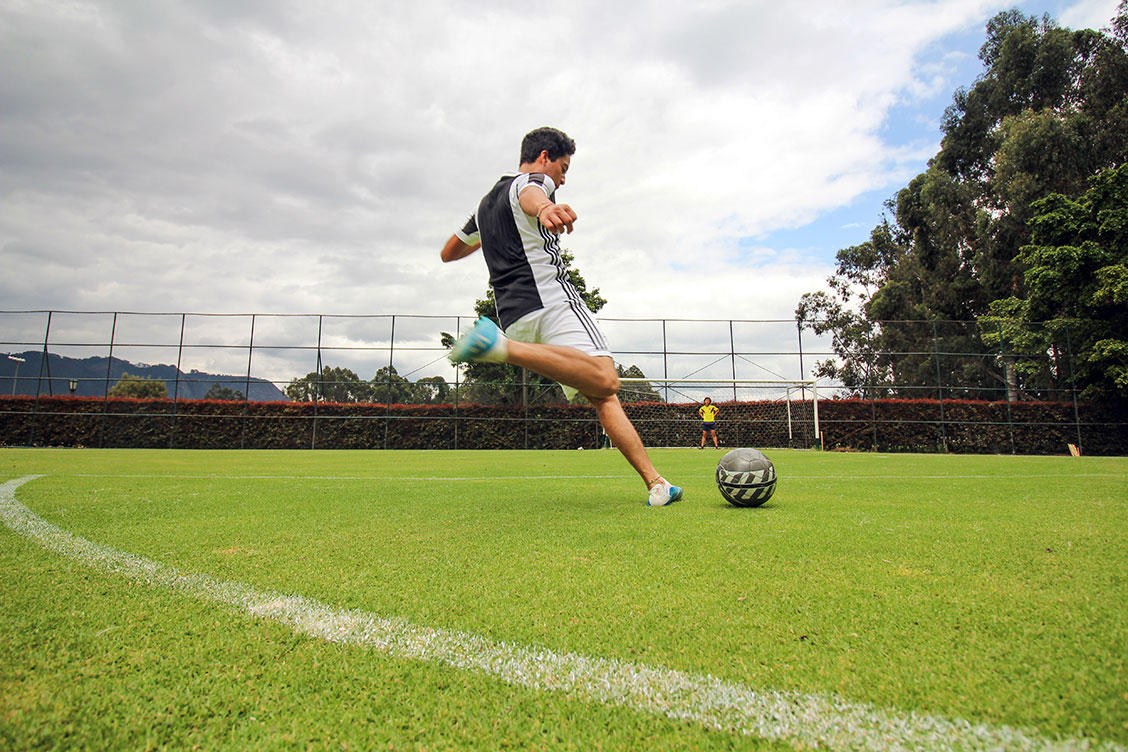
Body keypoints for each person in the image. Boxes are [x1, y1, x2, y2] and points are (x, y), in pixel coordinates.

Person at [440, 127, 683, 507]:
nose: (563, 179)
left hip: (516, 315)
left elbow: (449, 252)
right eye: (563, 168)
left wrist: (495, 230)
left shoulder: (486, 206)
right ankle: (502, 348)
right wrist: (544, 207)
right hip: (554, 303)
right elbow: (533, 192)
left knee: (600, 395)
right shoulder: (531, 181)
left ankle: (656, 484)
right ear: (543, 157)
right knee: (606, 380)